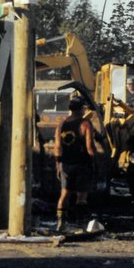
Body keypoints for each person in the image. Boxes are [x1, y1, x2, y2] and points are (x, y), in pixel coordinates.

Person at [54, 94, 96, 231]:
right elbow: (90, 147)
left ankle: (61, 223)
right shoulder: (85, 124)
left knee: (64, 194)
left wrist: (58, 166)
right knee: (81, 196)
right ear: (82, 109)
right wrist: (95, 163)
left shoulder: (61, 124)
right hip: (82, 164)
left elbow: (57, 147)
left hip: (66, 164)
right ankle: (80, 224)